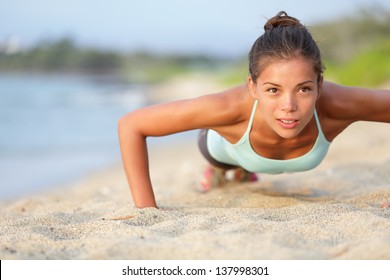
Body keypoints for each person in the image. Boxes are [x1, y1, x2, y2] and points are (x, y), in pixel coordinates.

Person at [118, 11, 390, 209]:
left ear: (320, 84)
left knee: (244, 167)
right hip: (223, 143)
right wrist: (147, 210)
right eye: (273, 89)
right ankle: (226, 169)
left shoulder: (338, 104)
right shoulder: (226, 108)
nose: (289, 106)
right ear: (252, 87)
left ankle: (242, 171)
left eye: (303, 89)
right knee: (222, 157)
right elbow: (132, 125)